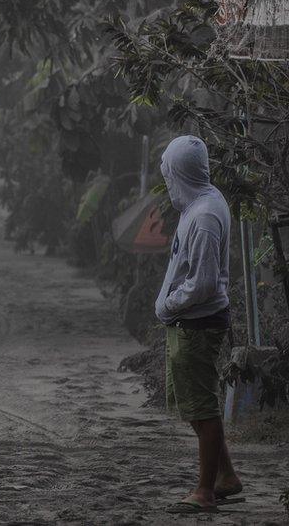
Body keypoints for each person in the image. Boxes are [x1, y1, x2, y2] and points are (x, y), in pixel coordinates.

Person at [156, 136, 240, 514]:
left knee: (203, 408)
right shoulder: (201, 203)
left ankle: (205, 492)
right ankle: (226, 476)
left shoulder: (204, 216)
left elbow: (203, 283)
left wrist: (170, 304)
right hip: (189, 321)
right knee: (195, 406)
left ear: (181, 174)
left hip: (197, 323)